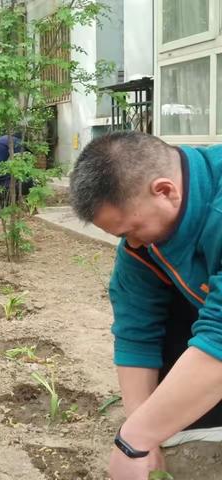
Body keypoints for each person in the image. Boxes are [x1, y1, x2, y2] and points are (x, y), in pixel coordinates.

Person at [69, 131, 222, 480]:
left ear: (166, 190)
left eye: (131, 231)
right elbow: (137, 331)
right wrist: (143, 433)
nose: (132, 244)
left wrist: (132, 441)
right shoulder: (144, 249)